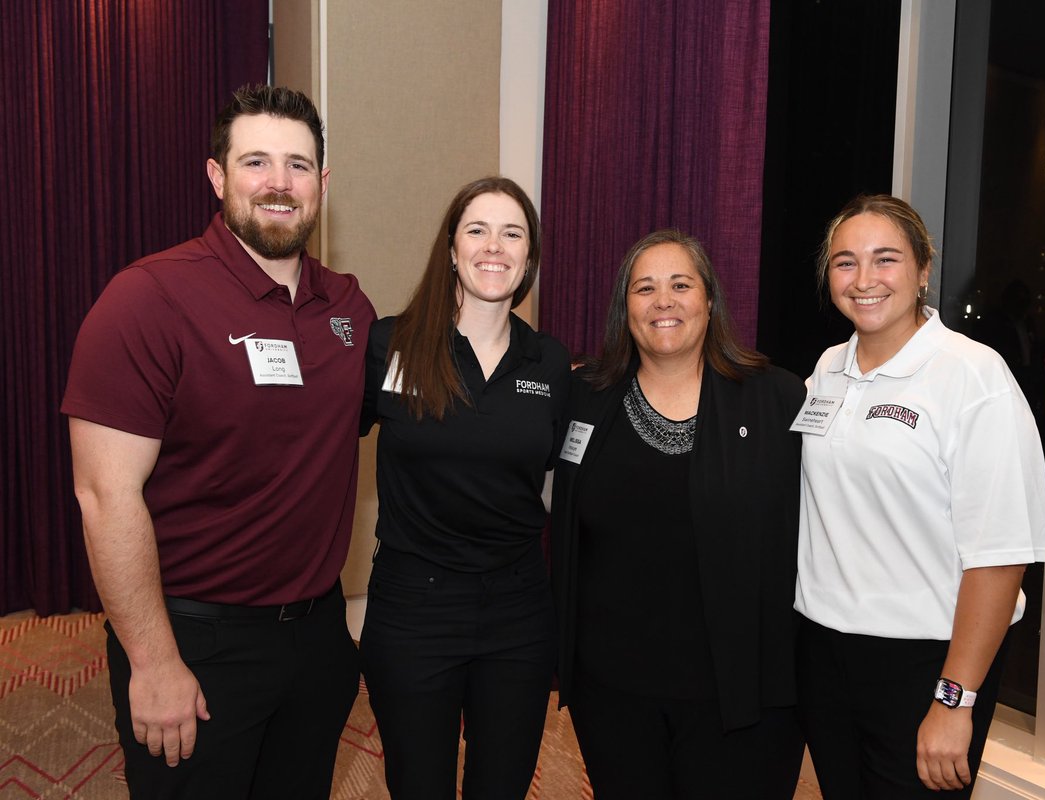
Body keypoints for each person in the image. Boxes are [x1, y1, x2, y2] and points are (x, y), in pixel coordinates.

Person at [61, 84, 373, 799]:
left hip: (317, 639)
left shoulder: (346, 307)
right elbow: (105, 495)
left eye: (298, 166)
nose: (278, 184)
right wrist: (153, 660)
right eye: (256, 161)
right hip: (196, 642)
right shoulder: (147, 301)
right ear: (217, 176)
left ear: (322, 184)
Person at [793, 195, 1045, 798]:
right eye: (845, 263)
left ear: (923, 269)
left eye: (885, 259)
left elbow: (1001, 557)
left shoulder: (973, 377)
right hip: (825, 652)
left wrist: (953, 699)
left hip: (926, 661)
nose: (864, 281)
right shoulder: (828, 368)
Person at [551, 229, 807, 799]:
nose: (663, 301)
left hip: (741, 697)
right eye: (645, 288)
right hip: (614, 694)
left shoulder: (777, 400)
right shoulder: (585, 397)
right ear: (626, 308)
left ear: (709, 300)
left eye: (680, 285)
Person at [359, 176, 569, 799]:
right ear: (451, 247)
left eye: (513, 234)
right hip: (412, 608)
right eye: (477, 230)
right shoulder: (390, 344)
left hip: (518, 611)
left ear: (529, 258)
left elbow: (562, 483)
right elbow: (312, 446)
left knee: (501, 786)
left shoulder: (551, 364)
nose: (493, 247)